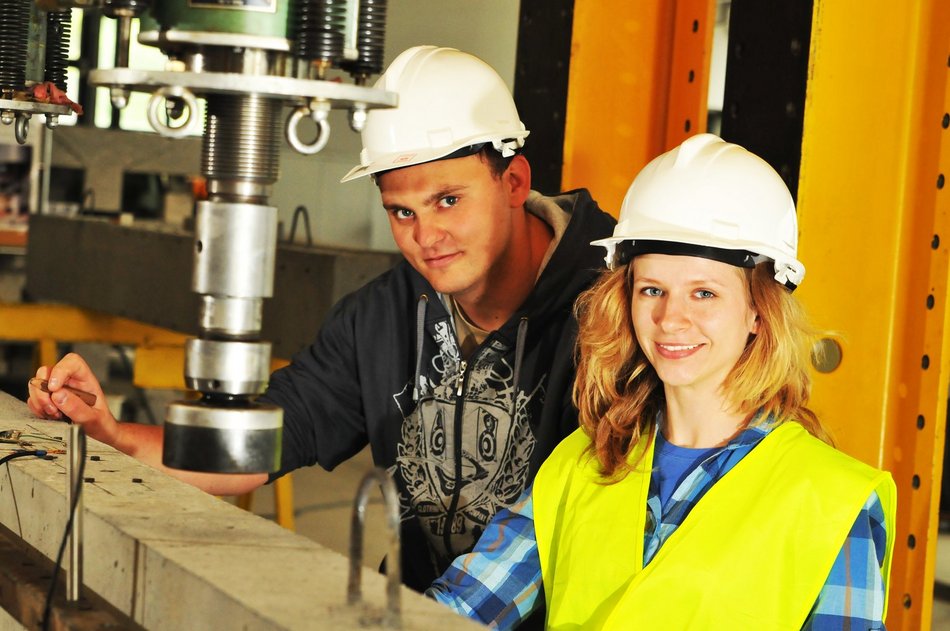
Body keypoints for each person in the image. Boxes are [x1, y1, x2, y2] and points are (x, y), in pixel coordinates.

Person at [25, 46, 617, 593]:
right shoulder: (383, 315)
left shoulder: (619, 310)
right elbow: (270, 438)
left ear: (514, 181)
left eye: (448, 200)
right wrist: (114, 435)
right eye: (402, 212)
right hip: (413, 611)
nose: (426, 237)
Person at [427, 133, 897, 629]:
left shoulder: (834, 501)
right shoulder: (581, 462)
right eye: (652, 290)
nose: (671, 319)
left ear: (758, 312)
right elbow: (463, 607)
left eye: (704, 293)